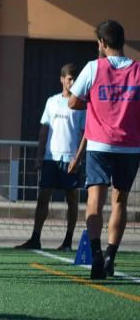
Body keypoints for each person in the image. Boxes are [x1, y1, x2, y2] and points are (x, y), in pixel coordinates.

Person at [68, 20, 140, 280]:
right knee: (120, 202)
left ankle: (96, 253)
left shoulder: (93, 67)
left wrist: (96, 103)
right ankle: (111, 254)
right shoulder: (138, 70)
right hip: (130, 146)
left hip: (99, 144)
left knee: (95, 202)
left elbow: (74, 101)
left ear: (102, 43)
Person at [16, 63, 86, 251]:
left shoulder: (81, 104)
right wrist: (39, 155)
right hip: (50, 158)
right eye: (69, 78)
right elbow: (44, 129)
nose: (72, 82)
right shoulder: (52, 101)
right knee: (43, 197)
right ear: (62, 79)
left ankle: (68, 241)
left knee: (72, 199)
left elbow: (84, 133)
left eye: (74, 78)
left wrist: (77, 159)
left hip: (70, 159)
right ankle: (35, 237)